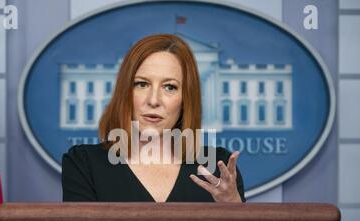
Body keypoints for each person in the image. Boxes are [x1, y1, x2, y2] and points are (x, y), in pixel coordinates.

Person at [62, 34, 245, 203]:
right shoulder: (84, 164)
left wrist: (234, 207)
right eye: (142, 84)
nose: (154, 100)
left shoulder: (217, 166)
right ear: (124, 92)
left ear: (186, 99)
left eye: (169, 87)